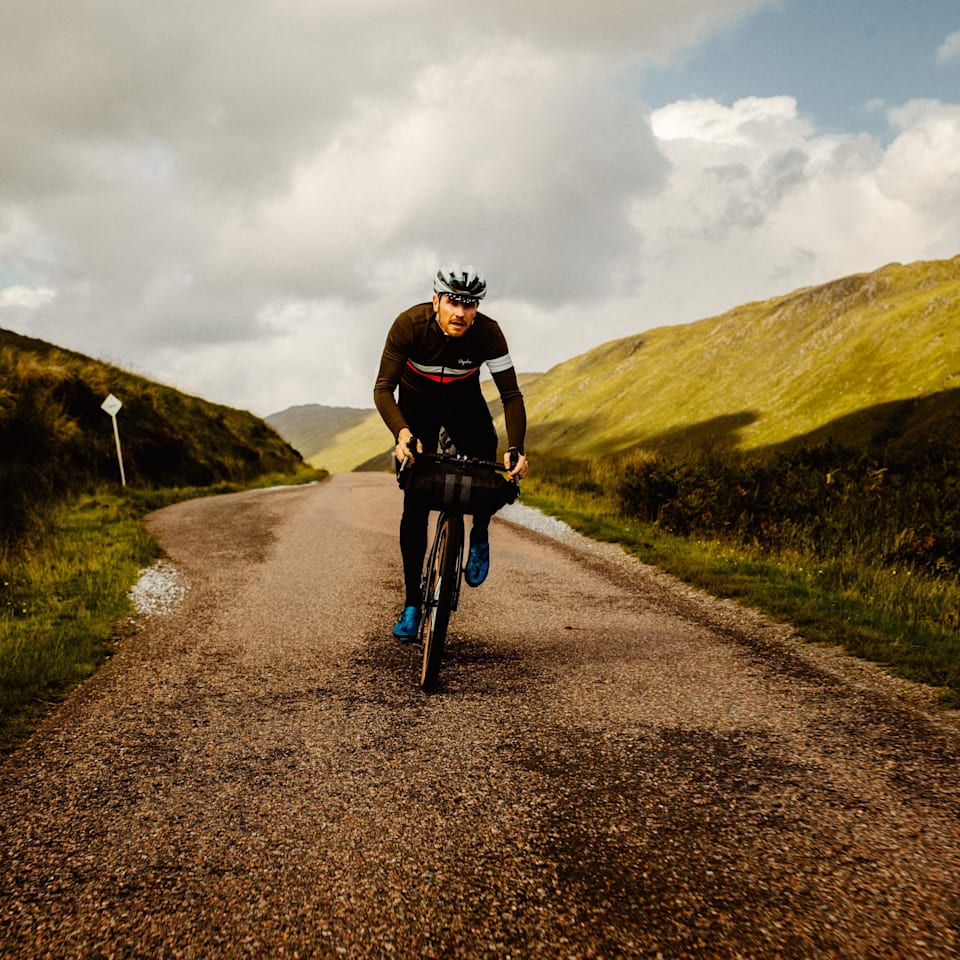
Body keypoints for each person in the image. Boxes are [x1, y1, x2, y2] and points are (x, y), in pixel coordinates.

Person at [374, 263, 530, 641]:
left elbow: (510, 395)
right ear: (436, 300)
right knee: (414, 503)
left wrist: (516, 449)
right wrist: (402, 433)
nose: (461, 313)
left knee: (485, 469)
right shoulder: (409, 326)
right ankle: (412, 605)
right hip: (417, 409)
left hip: (465, 406)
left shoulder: (488, 334)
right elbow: (383, 389)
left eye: (470, 305)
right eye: (453, 303)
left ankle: (478, 531)